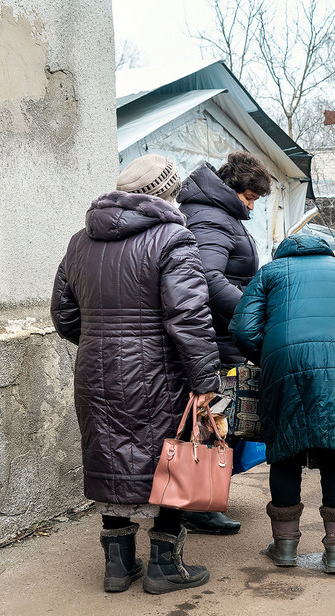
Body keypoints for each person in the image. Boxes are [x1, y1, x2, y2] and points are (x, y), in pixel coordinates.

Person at [51, 154, 221, 593]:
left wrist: (104, 342)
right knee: (172, 459)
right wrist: (206, 381)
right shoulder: (173, 238)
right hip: (157, 370)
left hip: (95, 368)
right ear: (166, 192)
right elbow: (189, 317)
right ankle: (164, 567)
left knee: (109, 457)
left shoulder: (78, 242)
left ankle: (117, 566)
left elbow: (64, 317)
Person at [229, 234, 335, 574]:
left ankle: (285, 548)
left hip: (285, 359)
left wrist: (271, 356)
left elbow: (244, 331)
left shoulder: (270, 272)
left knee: (285, 449)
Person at [176, 151, 273, 535]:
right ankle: (197, 506)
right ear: (233, 189)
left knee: (217, 419)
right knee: (213, 419)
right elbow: (207, 278)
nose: (251, 206)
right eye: (250, 198)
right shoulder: (211, 217)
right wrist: (252, 311)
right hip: (216, 338)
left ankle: (203, 500)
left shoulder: (217, 213)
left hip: (221, 334)